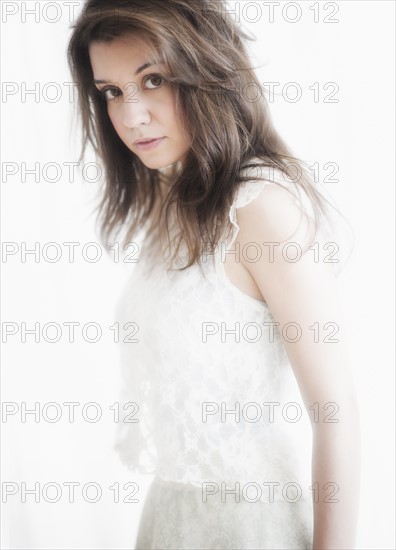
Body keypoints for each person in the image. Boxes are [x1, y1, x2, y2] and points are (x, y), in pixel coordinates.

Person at [67, 1, 360, 548]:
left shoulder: (260, 207)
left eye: (153, 79)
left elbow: (334, 413)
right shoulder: (169, 198)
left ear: (207, 69)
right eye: (111, 91)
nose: (131, 117)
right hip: (168, 518)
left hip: (247, 524)